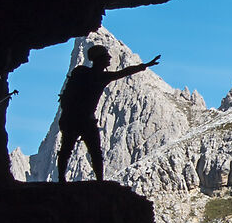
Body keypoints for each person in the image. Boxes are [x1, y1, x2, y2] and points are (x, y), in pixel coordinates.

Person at [55, 43, 160, 181]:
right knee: (95, 152)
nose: (109, 58)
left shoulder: (82, 72)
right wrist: (145, 65)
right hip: (86, 120)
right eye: (106, 57)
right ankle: (99, 181)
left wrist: (144, 65)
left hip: (72, 119)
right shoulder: (100, 77)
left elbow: (123, 72)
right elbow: (123, 73)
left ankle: (62, 179)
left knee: (67, 150)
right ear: (99, 59)